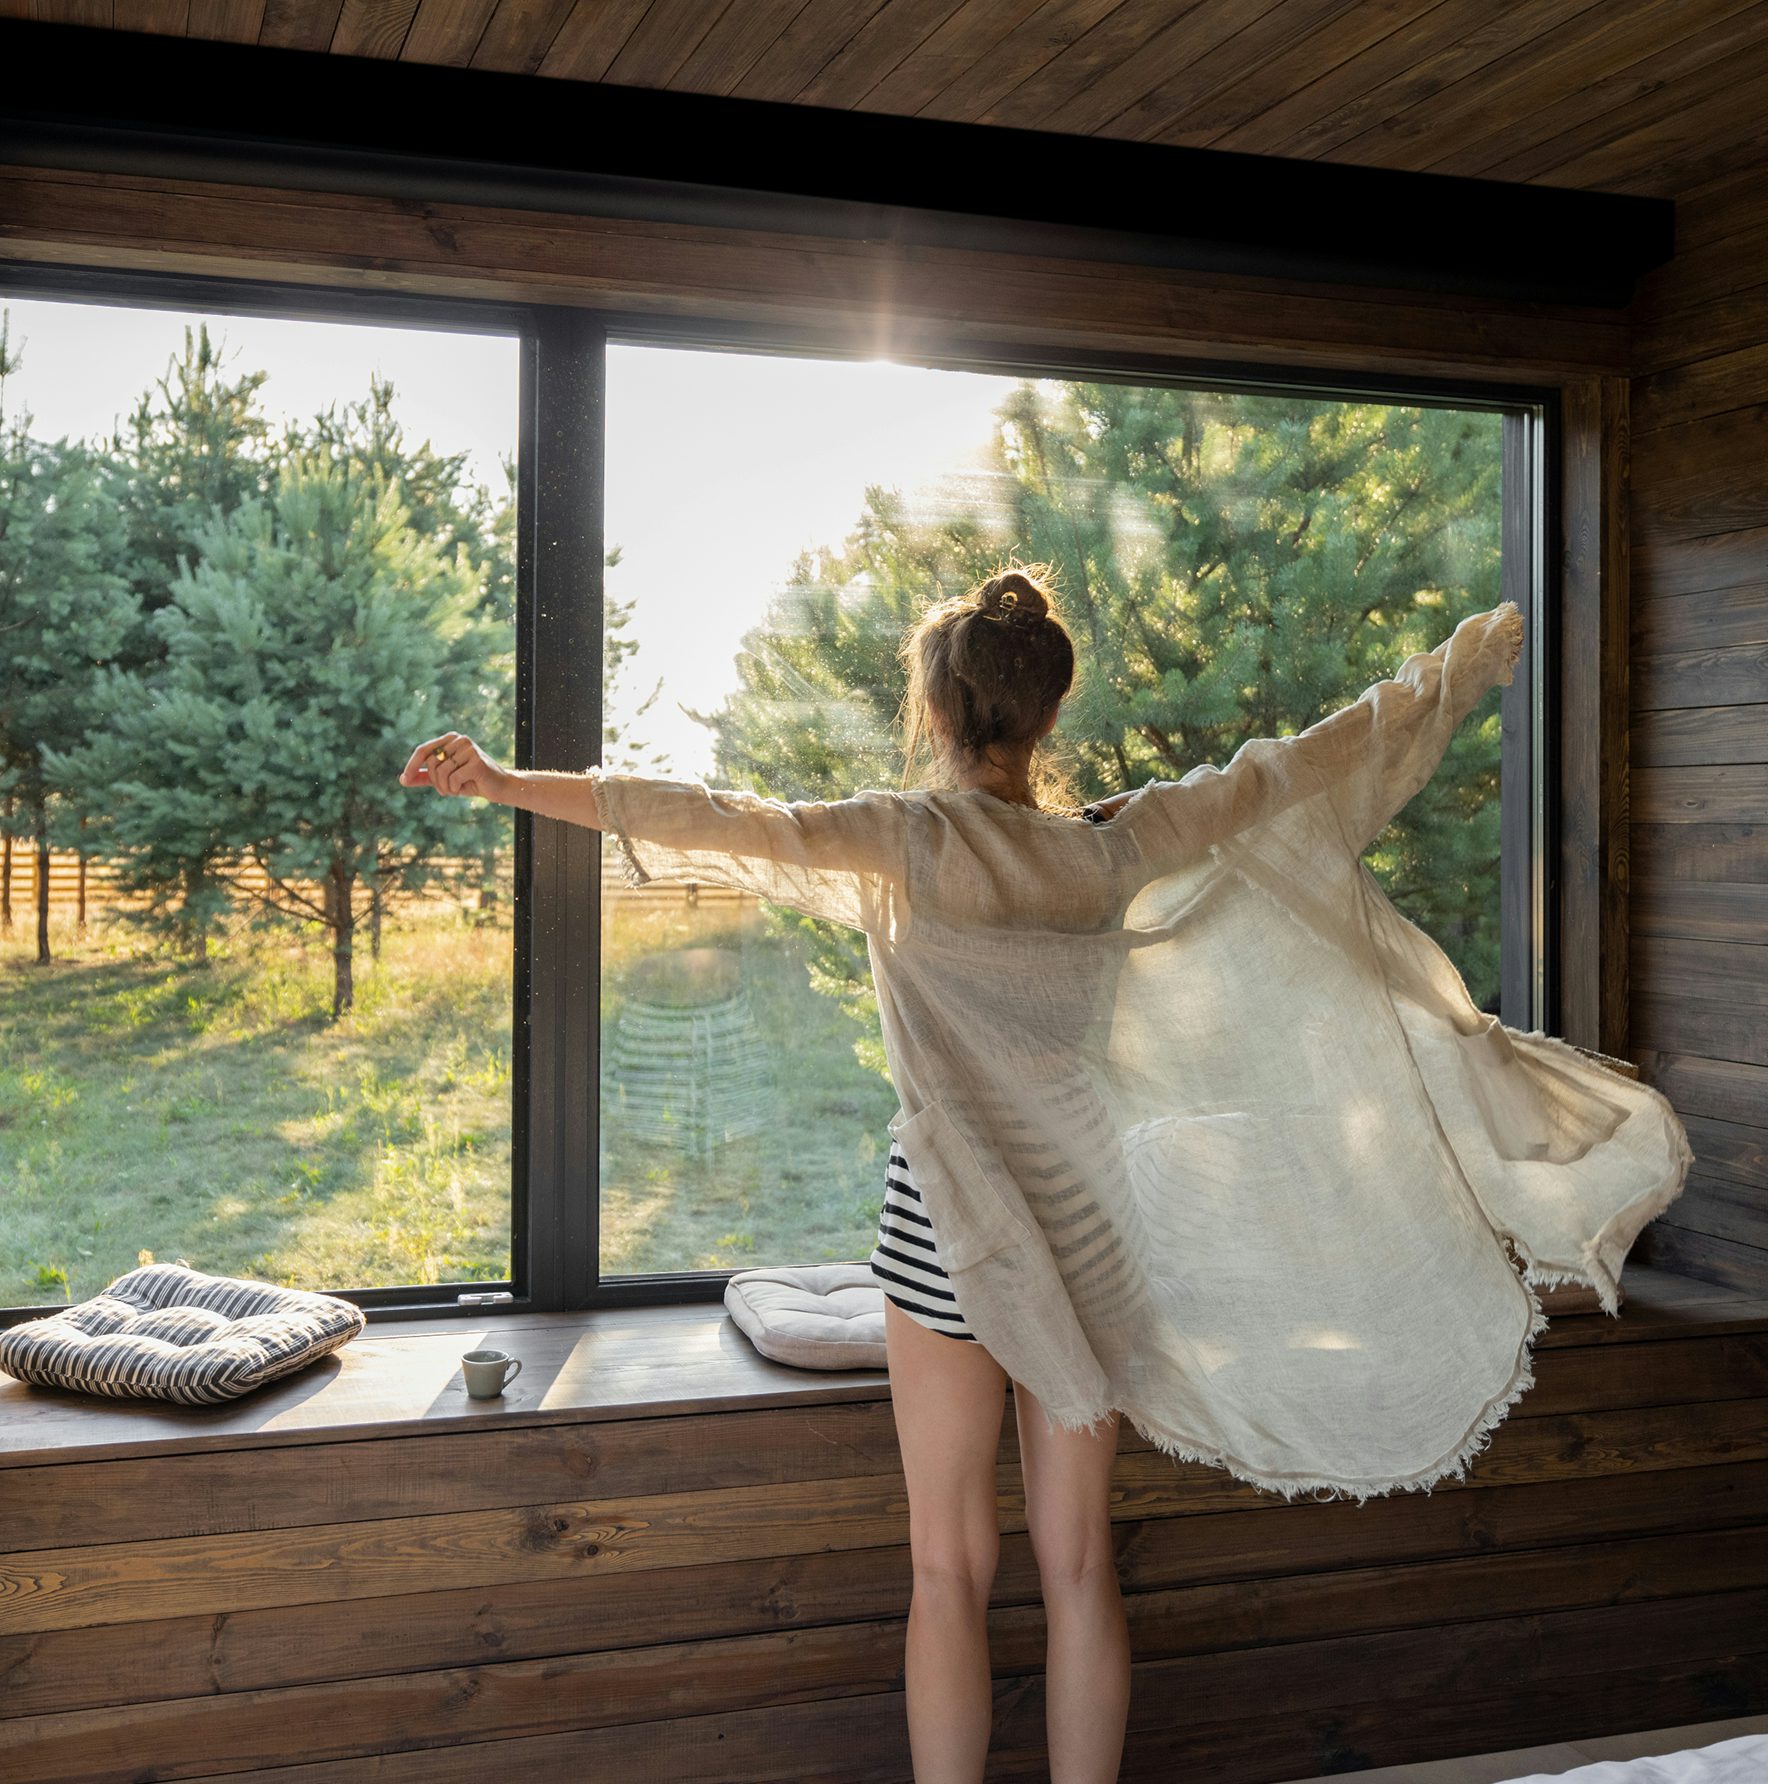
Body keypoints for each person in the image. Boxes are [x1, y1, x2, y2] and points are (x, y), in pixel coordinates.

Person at [400, 565, 1692, 1784]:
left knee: (948, 1569)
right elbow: (1292, 769)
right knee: (1080, 1570)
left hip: (946, 1237)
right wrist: (1453, 670)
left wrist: (509, 781)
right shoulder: (1109, 850)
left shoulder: (905, 841)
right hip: (1091, 1227)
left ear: (936, 709)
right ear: (1046, 709)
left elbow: (711, 817)